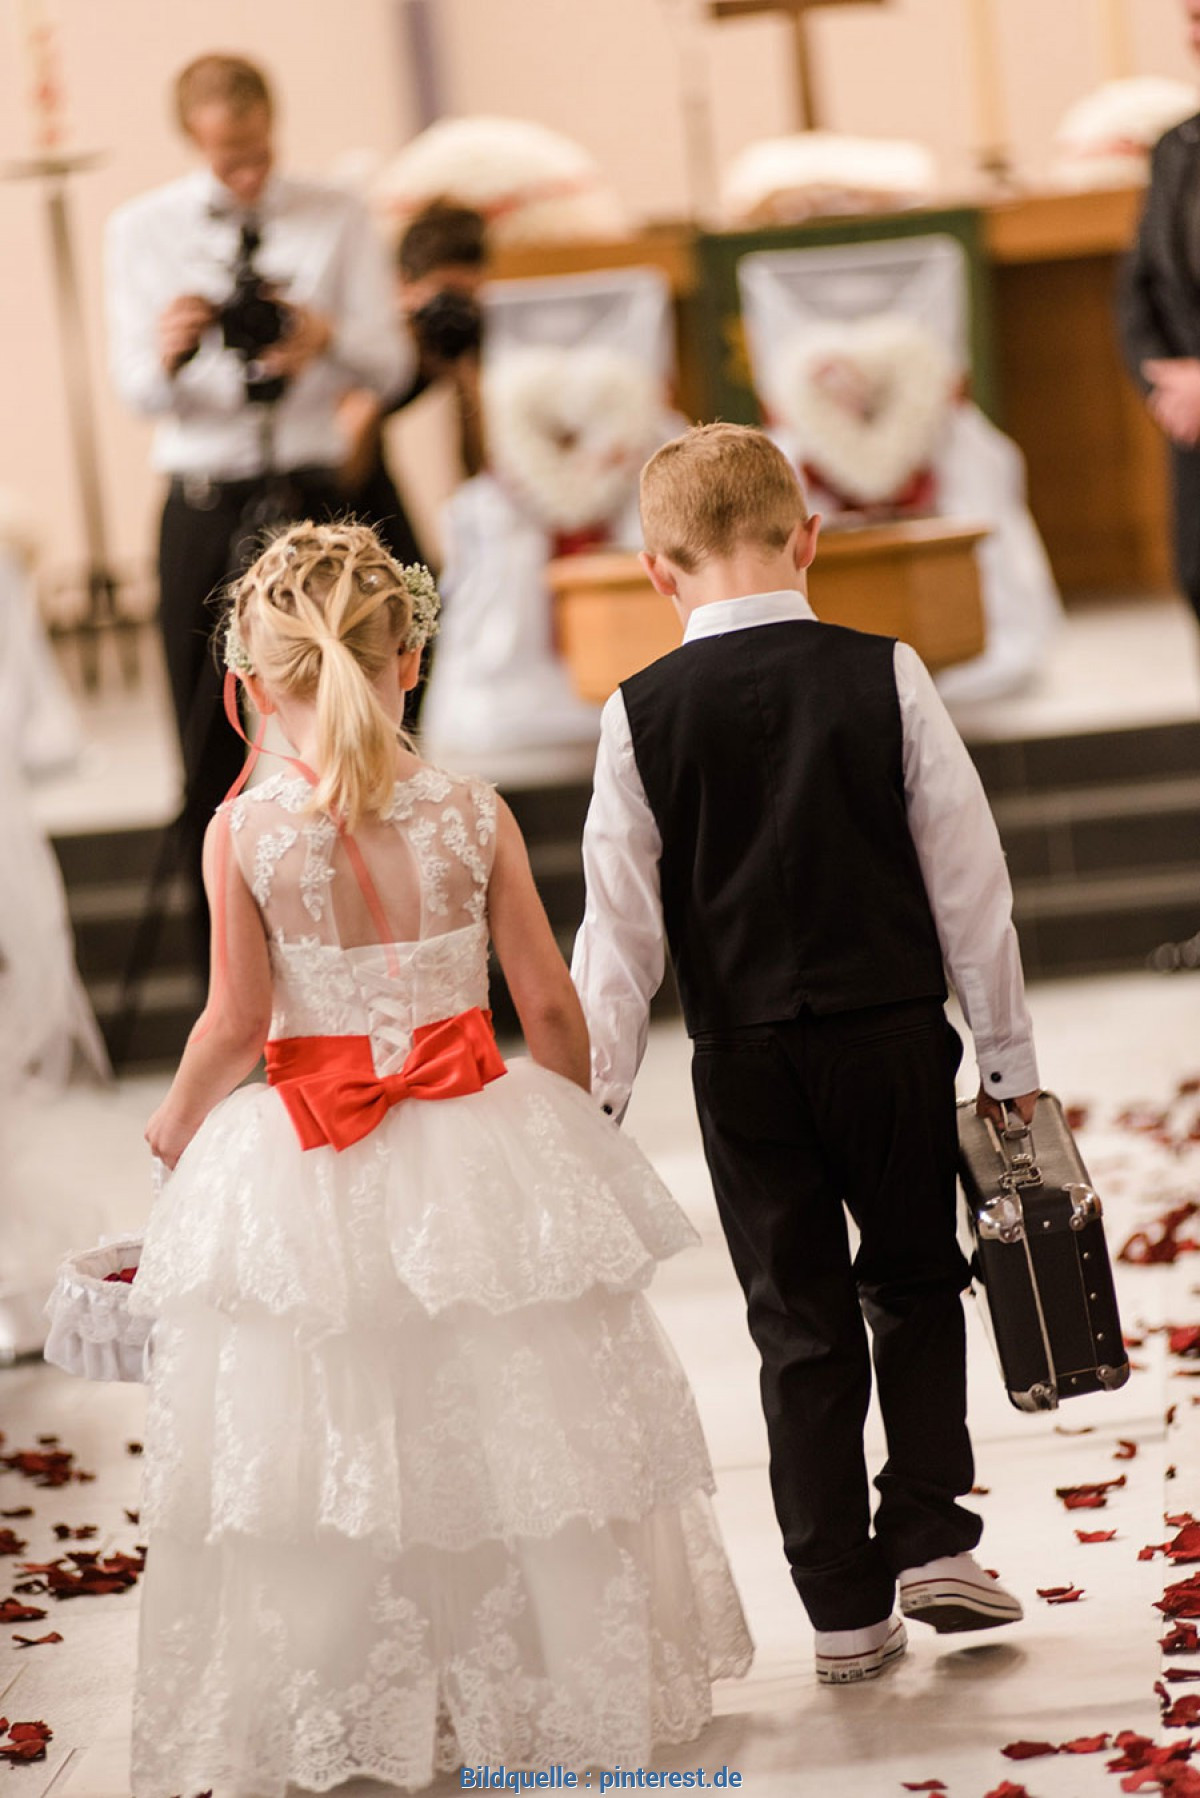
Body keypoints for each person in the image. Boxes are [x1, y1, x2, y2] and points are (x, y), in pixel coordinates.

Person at [125, 520, 751, 1794]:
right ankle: (526, 1689)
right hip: (480, 1140)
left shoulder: (244, 834)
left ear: (248, 682)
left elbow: (238, 1025)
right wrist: (569, 1129)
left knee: (340, 1426)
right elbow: (551, 1005)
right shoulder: (473, 814)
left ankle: (362, 1704)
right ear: (408, 660)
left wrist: (176, 1132)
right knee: (508, 1425)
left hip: (309, 1155)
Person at [571, 423, 1040, 1685]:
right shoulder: (886, 673)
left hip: (743, 1059)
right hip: (889, 1036)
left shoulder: (638, 712)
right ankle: (935, 1532)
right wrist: (1006, 1067)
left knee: (797, 1321)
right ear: (809, 537)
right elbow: (969, 885)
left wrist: (591, 1103)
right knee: (917, 1281)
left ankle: (842, 1605)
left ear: (657, 571)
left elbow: (615, 937)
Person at [105, 54, 405, 945]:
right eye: (225, 155)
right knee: (207, 749)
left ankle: (375, 938)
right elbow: (134, 391)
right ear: (192, 139)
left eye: (256, 149)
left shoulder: (339, 214)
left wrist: (328, 339)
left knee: (361, 720)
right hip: (204, 495)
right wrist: (169, 349)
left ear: (273, 122)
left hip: (318, 494)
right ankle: (226, 980)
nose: (245, 170)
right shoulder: (141, 230)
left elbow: (390, 365)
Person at [340, 197, 490, 567]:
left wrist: (465, 378)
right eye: (445, 295)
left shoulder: (455, 340)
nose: (453, 313)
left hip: (372, 460)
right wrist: (387, 362)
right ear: (403, 283)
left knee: (413, 577)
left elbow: (476, 469)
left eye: (467, 298)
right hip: (326, 462)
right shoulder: (375, 333)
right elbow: (342, 467)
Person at [1118, 0, 1200, 628]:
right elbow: (1139, 286)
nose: (1195, 35)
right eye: (1191, 18)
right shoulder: (1178, 145)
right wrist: (1167, 385)